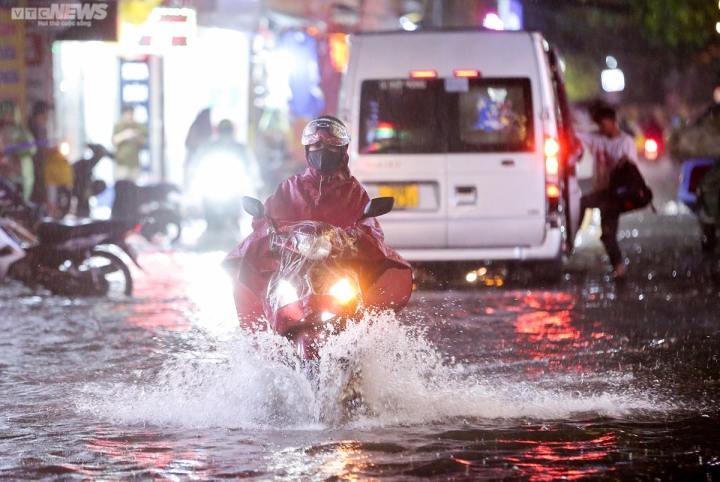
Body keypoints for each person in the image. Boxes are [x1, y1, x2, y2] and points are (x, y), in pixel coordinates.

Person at [223, 115, 412, 328]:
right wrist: (269, 229)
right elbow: (267, 221)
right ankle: (265, 335)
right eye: (317, 145)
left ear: (343, 151)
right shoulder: (290, 188)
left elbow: (369, 228)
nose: (323, 152)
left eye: (331, 147)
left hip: (339, 270)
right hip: (294, 269)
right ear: (307, 150)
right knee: (269, 297)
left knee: (364, 315)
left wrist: (354, 237)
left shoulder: (354, 191)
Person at [578, 105, 639, 278]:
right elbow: (578, 135)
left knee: (607, 233)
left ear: (613, 122)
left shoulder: (626, 142)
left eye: (604, 125)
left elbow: (633, 170)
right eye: (600, 126)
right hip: (602, 192)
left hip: (616, 196)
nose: (602, 129)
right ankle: (618, 268)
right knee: (583, 206)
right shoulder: (598, 139)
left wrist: (624, 164)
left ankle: (619, 269)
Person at [0, 99, 36, 202]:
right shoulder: (2, 130)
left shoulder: (21, 131)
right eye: (5, 113)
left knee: (19, 200)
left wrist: (17, 150)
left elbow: (31, 148)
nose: (7, 116)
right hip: (3, 175)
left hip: (20, 173)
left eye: (10, 113)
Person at [27, 100, 53, 207]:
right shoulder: (35, 126)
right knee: (37, 196)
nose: (48, 116)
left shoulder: (39, 126)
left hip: (38, 167)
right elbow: (39, 148)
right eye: (46, 113)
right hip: (35, 167)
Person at [111, 105, 147, 182]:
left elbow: (144, 141)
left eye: (131, 114)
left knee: (134, 189)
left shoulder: (138, 126)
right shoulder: (118, 126)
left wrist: (136, 135)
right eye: (128, 114)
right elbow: (114, 141)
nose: (129, 117)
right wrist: (124, 135)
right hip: (122, 163)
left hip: (134, 163)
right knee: (122, 188)